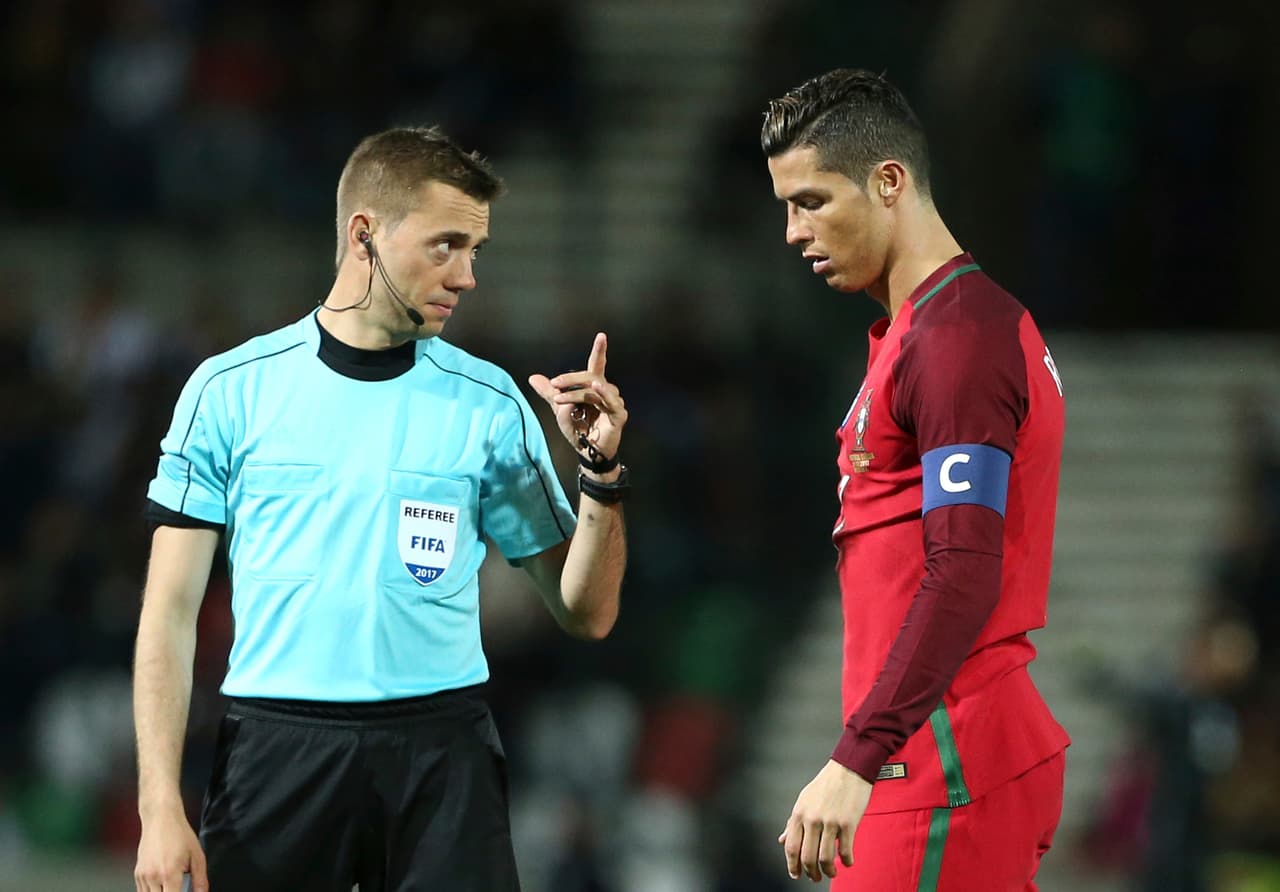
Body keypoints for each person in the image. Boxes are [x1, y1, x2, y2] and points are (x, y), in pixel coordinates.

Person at [132, 126, 630, 892]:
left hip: (441, 756)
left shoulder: (491, 403)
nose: (466, 276)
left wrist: (598, 474)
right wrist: (159, 805)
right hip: (277, 751)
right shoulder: (229, 391)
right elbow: (167, 613)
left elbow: (584, 613)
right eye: (446, 245)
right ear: (364, 233)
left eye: (476, 252)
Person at [762, 69, 1070, 889]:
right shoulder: (922, 331)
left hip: (942, 764)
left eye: (812, 200)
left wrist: (858, 758)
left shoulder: (957, 340)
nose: (794, 231)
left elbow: (965, 567)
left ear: (888, 181)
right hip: (934, 760)